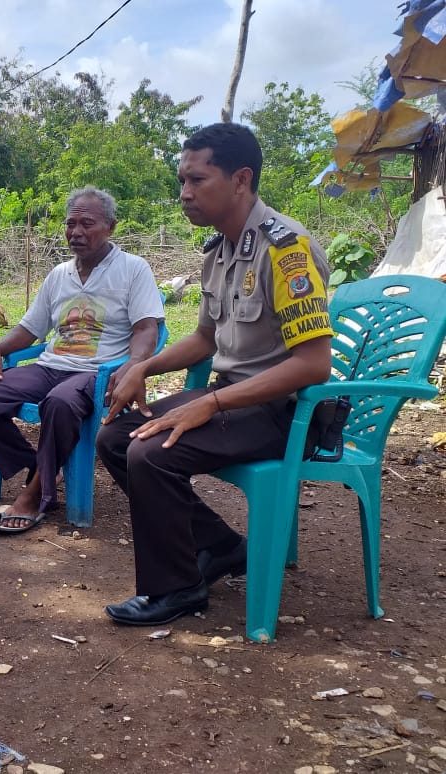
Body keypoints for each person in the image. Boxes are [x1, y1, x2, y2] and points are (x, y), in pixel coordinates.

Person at [96, 123, 333, 626]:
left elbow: (313, 363)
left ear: (241, 179)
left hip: (281, 412)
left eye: (197, 181)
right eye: (182, 181)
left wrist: (211, 402)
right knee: (116, 436)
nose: (184, 194)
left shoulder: (285, 250)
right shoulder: (219, 251)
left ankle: (177, 589)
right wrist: (145, 365)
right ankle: (222, 546)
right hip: (232, 400)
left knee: (148, 453)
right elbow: (206, 338)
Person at [0, 186, 164, 533]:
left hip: (98, 373)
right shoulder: (59, 274)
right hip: (50, 366)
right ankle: (42, 469)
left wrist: (135, 363)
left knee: (59, 403)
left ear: (110, 227)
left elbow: (148, 328)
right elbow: (30, 328)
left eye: (87, 223)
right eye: (71, 224)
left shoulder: (133, 269)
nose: (76, 232)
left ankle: (35, 495)